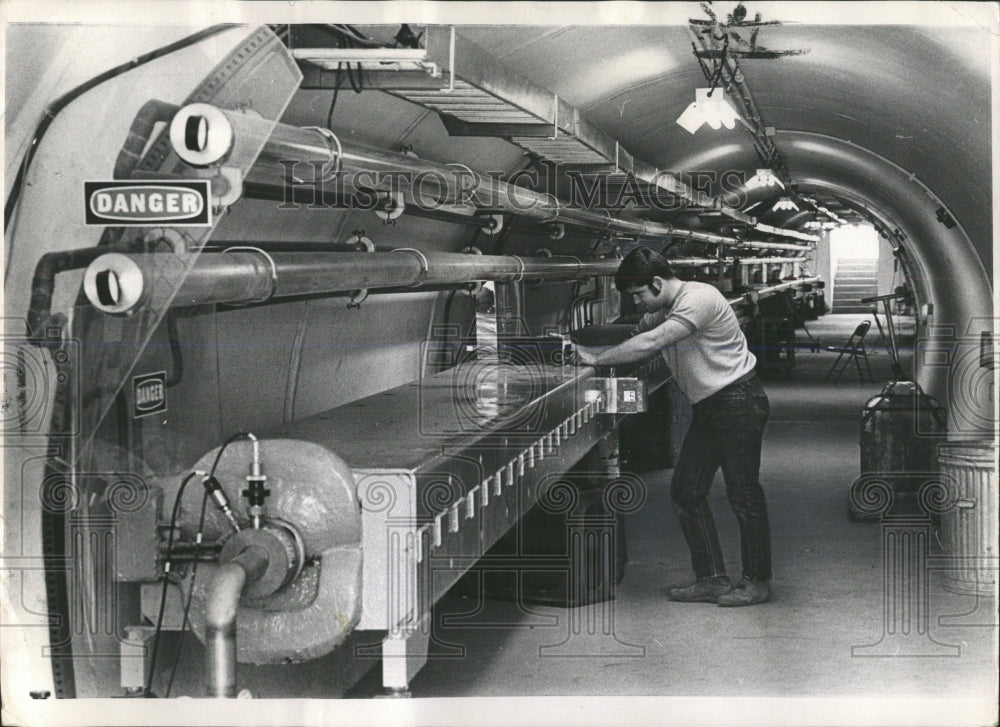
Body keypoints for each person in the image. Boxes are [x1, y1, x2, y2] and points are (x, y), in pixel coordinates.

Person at [573, 247, 772, 606]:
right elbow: (631, 332)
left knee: (743, 493)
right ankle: (711, 577)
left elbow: (649, 342)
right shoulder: (663, 308)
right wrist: (574, 340)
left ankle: (757, 581)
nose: (635, 302)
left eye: (637, 294)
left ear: (656, 282)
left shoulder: (698, 298)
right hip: (710, 408)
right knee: (686, 490)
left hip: (737, 401)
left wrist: (594, 360)